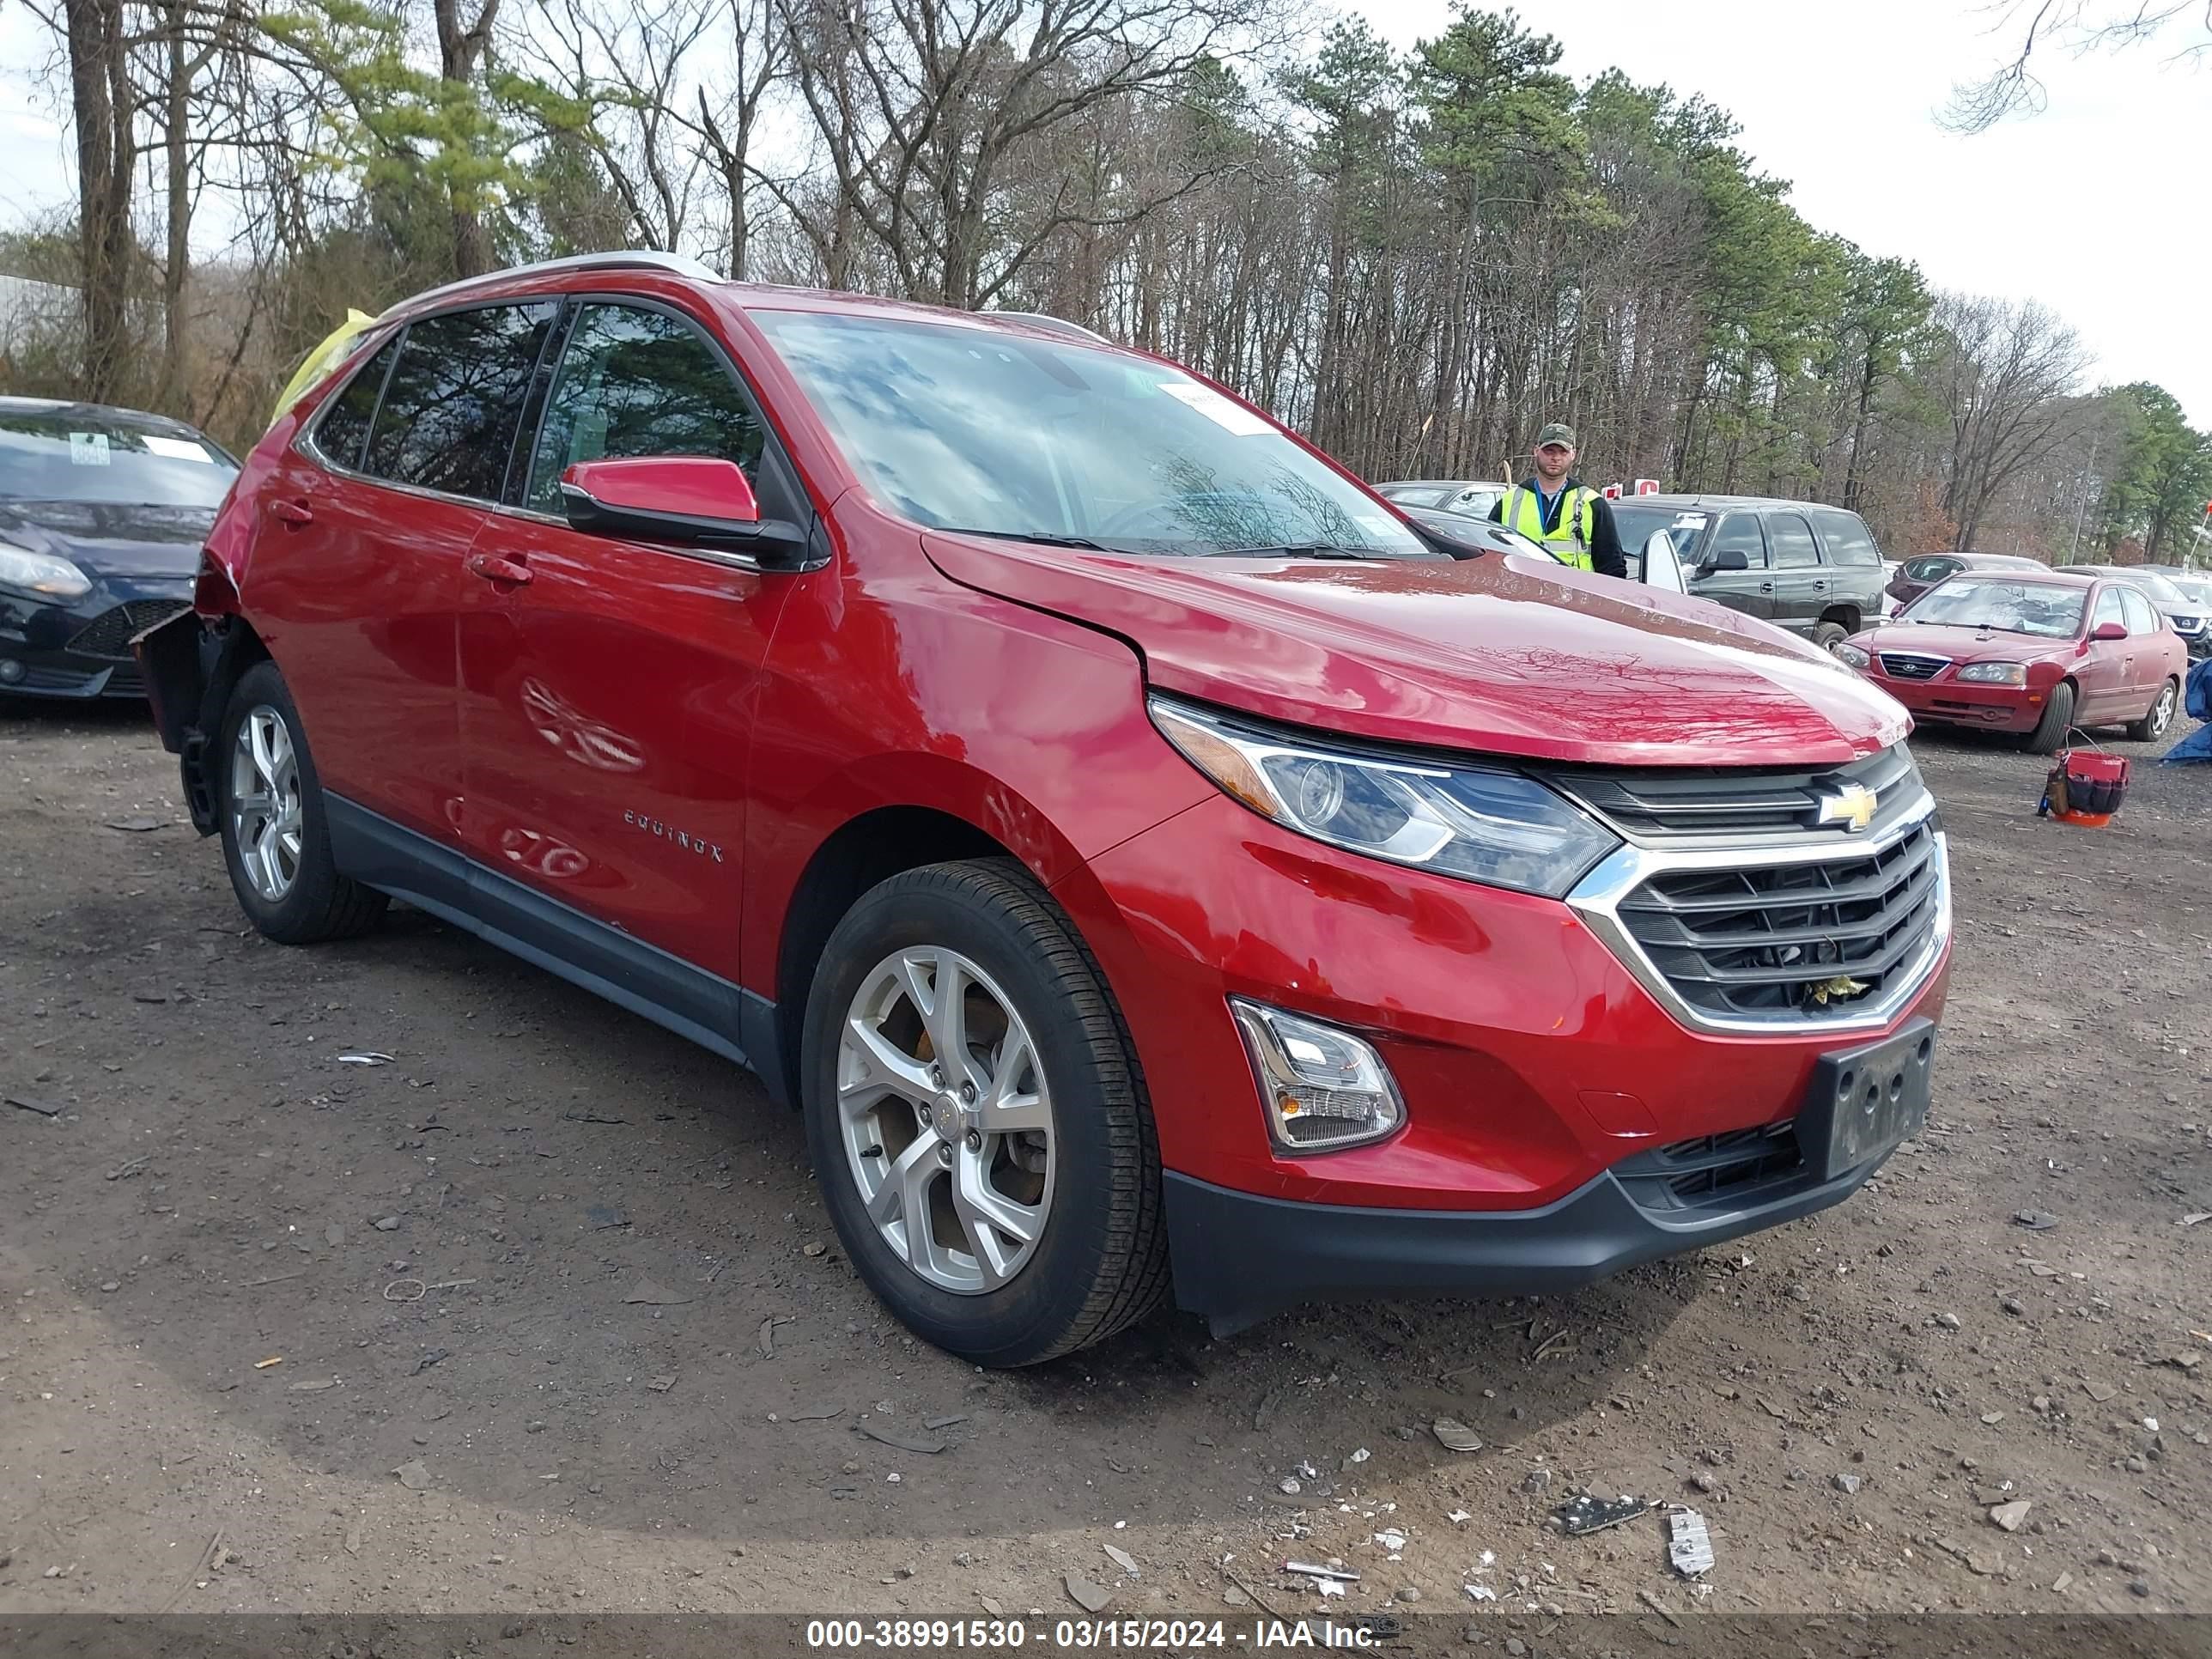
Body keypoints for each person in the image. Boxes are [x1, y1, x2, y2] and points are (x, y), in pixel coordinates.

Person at [1488, 422, 1626, 578]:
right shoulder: (1509, 502)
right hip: (1520, 597)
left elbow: (1613, 566)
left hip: (1574, 598)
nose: (1556, 458)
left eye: (1563, 452)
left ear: (1573, 454)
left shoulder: (1592, 503)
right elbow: (1488, 558)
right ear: (1536, 451)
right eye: (1549, 451)